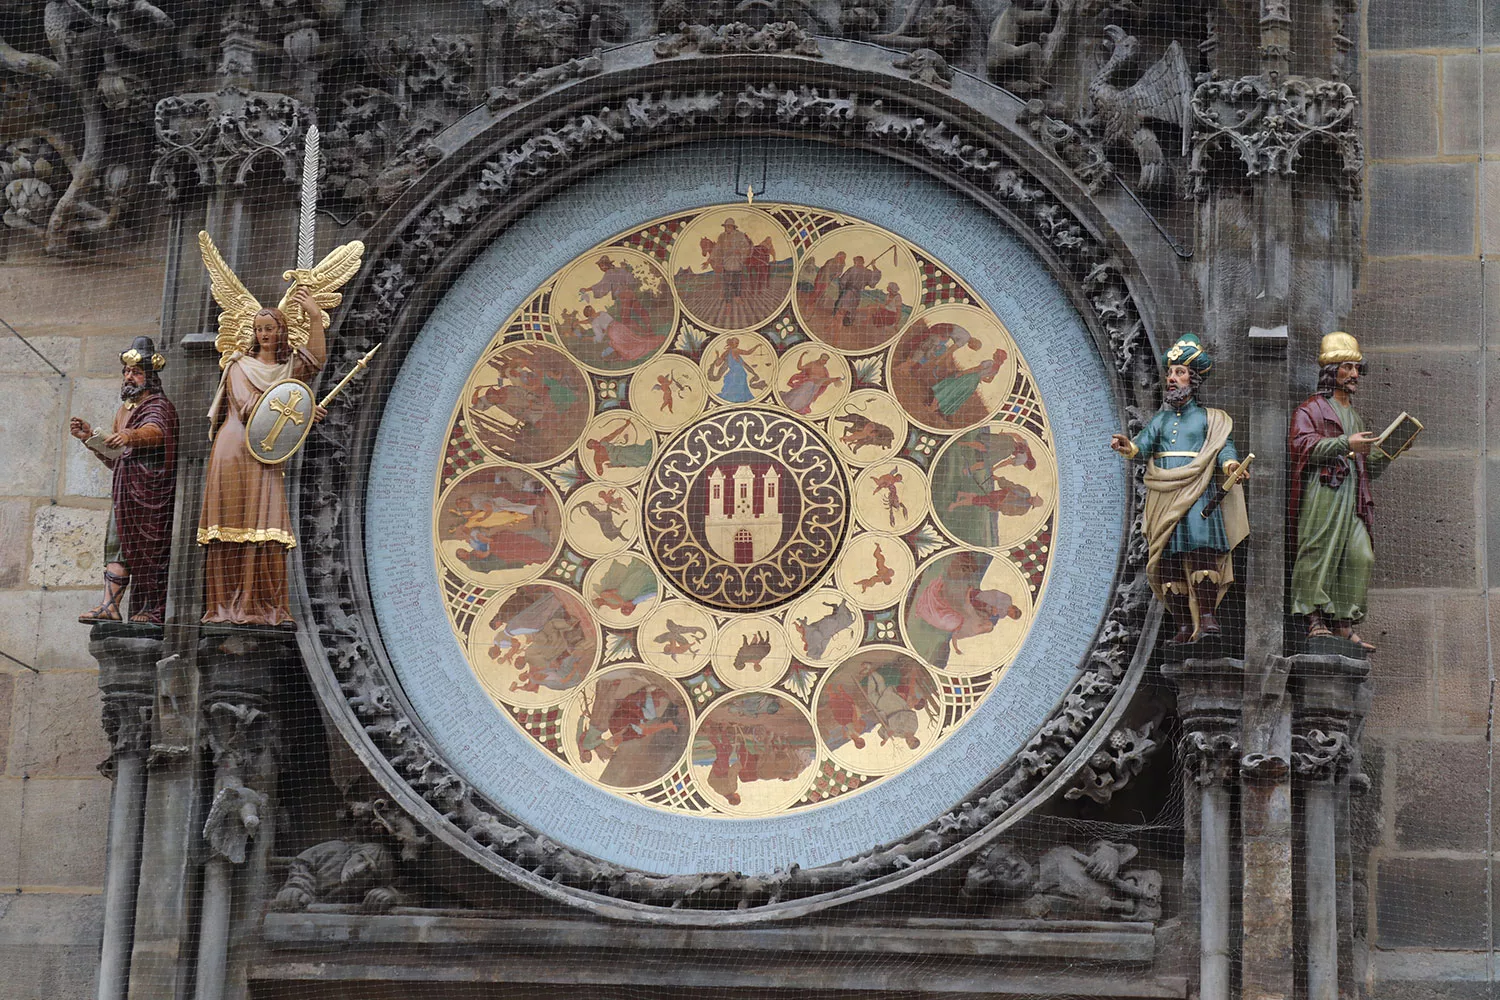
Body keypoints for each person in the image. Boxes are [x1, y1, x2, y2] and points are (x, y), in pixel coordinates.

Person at [198, 287, 326, 625]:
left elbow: (316, 359)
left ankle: (262, 605)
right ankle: (227, 606)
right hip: (235, 448)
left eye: (271, 328)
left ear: (282, 331)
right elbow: (247, 406)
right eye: (259, 329)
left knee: (268, 525)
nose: (265, 334)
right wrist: (304, 408)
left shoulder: (290, 367)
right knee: (232, 522)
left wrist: (314, 316)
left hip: (267, 454)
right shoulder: (240, 366)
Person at [1110, 333, 1248, 643]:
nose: (1172, 379)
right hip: (1164, 494)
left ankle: (1208, 617)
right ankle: (1183, 623)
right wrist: (1128, 447)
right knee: (1167, 558)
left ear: (1194, 379)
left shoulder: (1208, 419)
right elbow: (1142, 447)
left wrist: (1229, 466)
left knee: (1202, 554)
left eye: (1179, 372)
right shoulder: (1160, 420)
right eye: (1170, 372)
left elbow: (1223, 447)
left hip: (1199, 494)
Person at [1288, 332, 1389, 651]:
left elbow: (1367, 464)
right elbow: (1300, 444)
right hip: (1324, 492)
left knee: (1359, 555)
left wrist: (1386, 454)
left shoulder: (1355, 415)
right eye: (1348, 367)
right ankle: (1315, 618)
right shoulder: (1312, 409)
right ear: (1333, 371)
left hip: (1353, 494)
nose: (1355, 374)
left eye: (1357, 368)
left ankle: (1343, 623)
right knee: (1318, 550)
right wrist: (1346, 443)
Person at [70, 337, 178, 624]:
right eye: (126, 371)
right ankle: (109, 606)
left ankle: (152, 609)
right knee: (117, 545)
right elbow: (116, 457)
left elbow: (156, 432)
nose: (129, 377)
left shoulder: (159, 405)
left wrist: (130, 436)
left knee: (148, 550)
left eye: (136, 371)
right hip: (125, 490)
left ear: (150, 377)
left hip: (151, 493)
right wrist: (91, 440)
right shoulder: (124, 411)